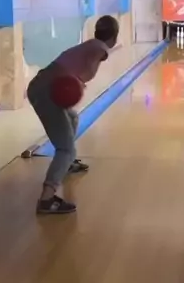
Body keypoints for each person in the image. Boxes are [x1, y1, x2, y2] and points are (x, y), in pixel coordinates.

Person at [27, 15, 119, 215]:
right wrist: (78, 81)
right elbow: (93, 58)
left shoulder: (90, 44)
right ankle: (46, 199)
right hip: (46, 92)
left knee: (72, 117)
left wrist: (75, 80)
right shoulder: (100, 48)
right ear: (114, 37)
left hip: (42, 85)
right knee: (66, 149)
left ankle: (67, 165)